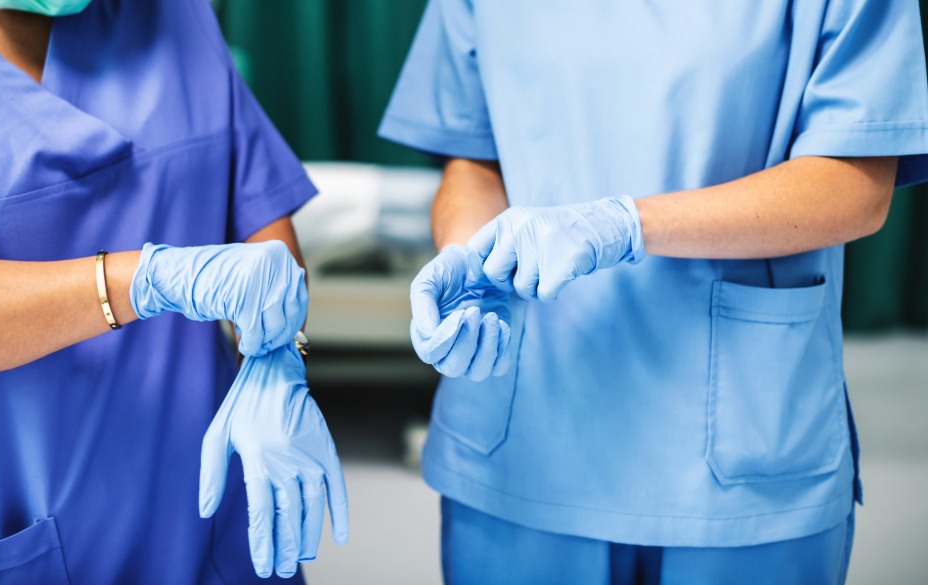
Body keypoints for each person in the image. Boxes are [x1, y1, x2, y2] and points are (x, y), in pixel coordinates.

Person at [380, 0, 928, 583]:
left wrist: (625, 224)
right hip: (524, 421)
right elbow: (473, 157)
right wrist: (469, 259)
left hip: (735, 453)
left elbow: (853, 187)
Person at [0, 0, 346, 583]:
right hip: (29, 515)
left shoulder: (174, 13)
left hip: (213, 500)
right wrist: (145, 281)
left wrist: (278, 357)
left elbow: (257, 211)